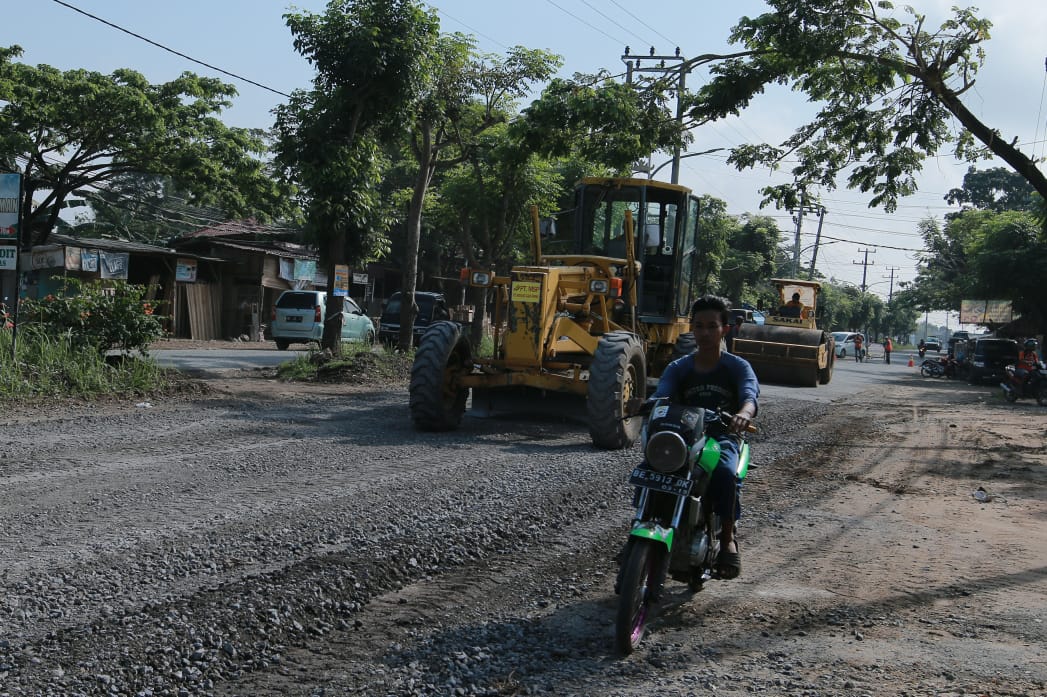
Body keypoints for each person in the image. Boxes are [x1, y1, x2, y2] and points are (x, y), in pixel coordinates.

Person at [650, 295, 759, 579]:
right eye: (699, 326)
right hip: (684, 437)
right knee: (652, 467)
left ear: (725, 329)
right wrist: (647, 403)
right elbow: (662, 393)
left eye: (712, 326)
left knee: (724, 473)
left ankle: (727, 539)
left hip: (722, 436)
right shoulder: (679, 367)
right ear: (692, 328)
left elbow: (749, 396)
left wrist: (744, 414)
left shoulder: (737, 366)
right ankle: (645, 525)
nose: (705, 333)